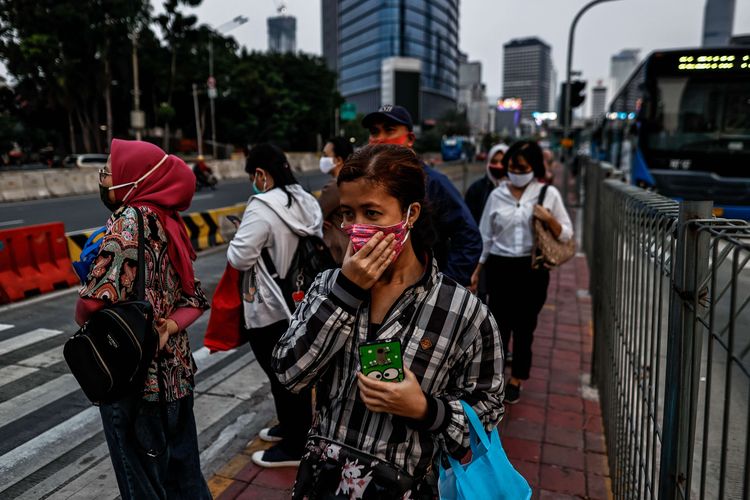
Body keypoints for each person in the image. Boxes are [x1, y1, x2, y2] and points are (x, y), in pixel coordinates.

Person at [273, 144, 504, 499]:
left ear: (410, 214)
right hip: (322, 483)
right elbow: (290, 373)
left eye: (372, 213)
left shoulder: (464, 313)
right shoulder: (326, 287)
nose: (356, 228)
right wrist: (346, 292)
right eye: (347, 214)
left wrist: (427, 410)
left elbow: (486, 417)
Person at [75, 139, 211, 500]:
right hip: (177, 376)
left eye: (109, 172)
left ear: (134, 179)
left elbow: (92, 303)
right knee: (186, 479)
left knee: (144, 487)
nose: (104, 180)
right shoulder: (172, 222)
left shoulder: (128, 220)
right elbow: (194, 299)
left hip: (136, 380)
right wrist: (169, 325)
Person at [227, 143, 323, 468]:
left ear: (261, 175)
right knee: (292, 371)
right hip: (302, 301)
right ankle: (292, 427)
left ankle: (295, 446)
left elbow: (239, 257)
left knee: (280, 374)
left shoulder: (261, 206)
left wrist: (239, 234)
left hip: (270, 306)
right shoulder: (306, 200)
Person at [471, 140, 573, 405]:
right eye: (512, 166)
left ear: (534, 167)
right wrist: (476, 270)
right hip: (500, 267)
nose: (516, 171)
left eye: (522, 167)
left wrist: (549, 218)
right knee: (498, 326)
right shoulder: (497, 195)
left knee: (525, 327)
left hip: (531, 270)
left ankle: (517, 379)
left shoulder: (547, 194)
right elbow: (486, 237)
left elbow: (568, 233)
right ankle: (496, 378)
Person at [362, 104, 482, 286]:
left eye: (389, 130)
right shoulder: (368, 182)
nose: (379, 139)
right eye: (374, 132)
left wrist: (448, 286)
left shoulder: (434, 183)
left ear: (409, 139)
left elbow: (468, 237)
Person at [318, 136, 354, 265]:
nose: (322, 159)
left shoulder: (336, 185)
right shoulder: (353, 180)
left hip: (335, 253)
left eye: (325, 155)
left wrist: (318, 220)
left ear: (338, 160)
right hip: (348, 250)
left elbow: (314, 218)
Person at [464, 143, 508, 224]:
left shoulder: (517, 189)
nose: (498, 165)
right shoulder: (476, 189)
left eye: (502, 162)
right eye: (494, 162)